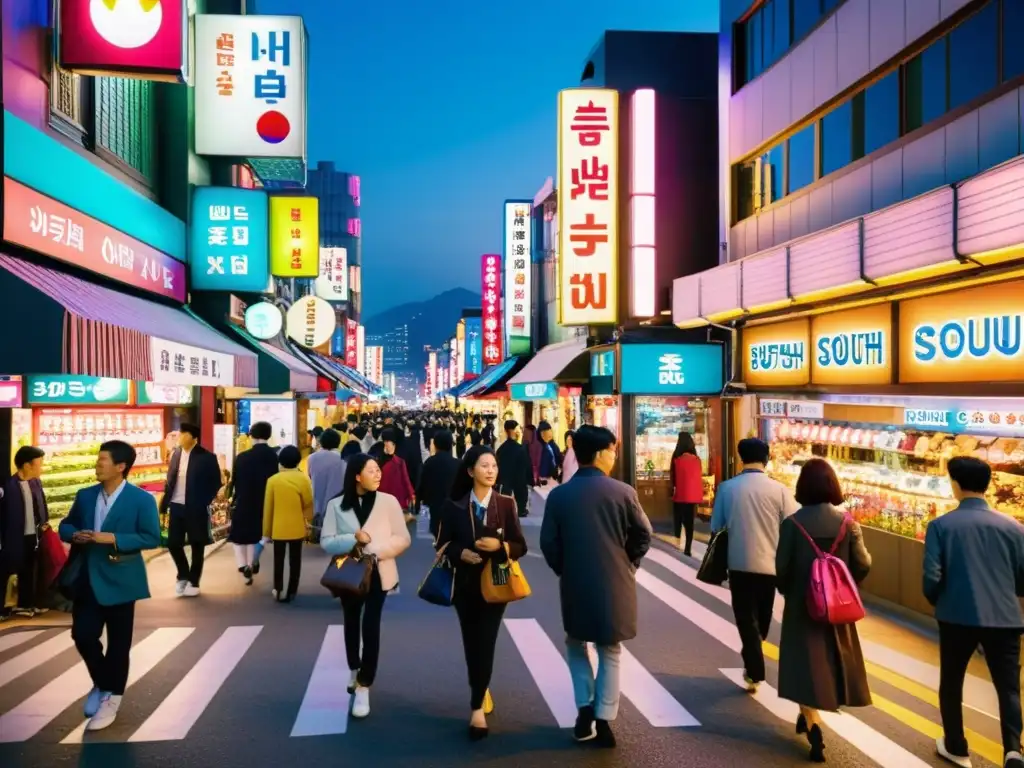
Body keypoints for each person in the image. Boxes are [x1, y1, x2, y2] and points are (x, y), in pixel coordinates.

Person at [540, 425, 652, 748]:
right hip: (616, 581)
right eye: (613, 450)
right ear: (602, 453)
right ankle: (604, 718)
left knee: (576, 643)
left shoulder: (559, 495)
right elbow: (643, 534)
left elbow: (549, 543)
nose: (614, 456)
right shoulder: (623, 492)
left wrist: (565, 567)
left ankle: (584, 709)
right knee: (610, 649)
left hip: (574, 581)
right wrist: (629, 562)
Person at [925, 456, 1024, 768]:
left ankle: (956, 745)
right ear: (988, 484)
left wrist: (940, 600)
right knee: (1008, 687)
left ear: (955, 484)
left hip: (956, 616)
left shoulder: (941, 526)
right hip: (1006, 618)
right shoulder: (1014, 527)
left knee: (952, 682)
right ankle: (1013, 749)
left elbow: (931, 578)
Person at [58, 440, 161, 731]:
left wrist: (113, 538)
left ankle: (112, 700)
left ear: (121, 466)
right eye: (98, 458)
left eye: (103, 460)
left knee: (118, 644)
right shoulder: (86, 495)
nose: (98, 464)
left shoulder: (141, 500)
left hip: (122, 580)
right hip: (88, 578)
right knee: (83, 635)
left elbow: (152, 537)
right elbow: (66, 524)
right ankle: (102, 682)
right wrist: (74, 534)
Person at [776, 458, 872, 763]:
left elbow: (781, 570)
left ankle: (813, 721)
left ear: (802, 486)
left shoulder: (792, 524)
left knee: (803, 664)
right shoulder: (848, 523)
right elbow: (863, 564)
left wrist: (790, 590)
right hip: (836, 607)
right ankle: (811, 715)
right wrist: (843, 584)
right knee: (831, 660)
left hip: (802, 606)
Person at [436, 445, 527, 740]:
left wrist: (501, 547)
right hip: (464, 583)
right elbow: (442, 543)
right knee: (471, 640)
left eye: (494, 466)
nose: (491, 471)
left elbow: (520, 545)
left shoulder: (505, 504)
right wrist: (460, 552)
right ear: (470, 470)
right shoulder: (454, 505)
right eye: (485, 465)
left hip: (498, 579)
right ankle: (481, 685)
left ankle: (476, 707)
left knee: (486, 640)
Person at [321, 454, 411, 718]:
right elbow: (326, 541)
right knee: (351, 622)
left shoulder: (389, 502)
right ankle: (353, 668)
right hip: (349, 575)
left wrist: (375, 551)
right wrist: (352, 539)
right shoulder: (337, 505)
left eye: (378, 470)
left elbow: (402, 538)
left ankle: (364, 684)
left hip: (379, 573)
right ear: (357, 476)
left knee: (371, 625)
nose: (377, 475)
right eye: (371, 471)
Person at [710, 437, 799, 692]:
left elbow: (717, 526)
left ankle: (753, 663)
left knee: (745, 617)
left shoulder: (727, 488)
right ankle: (754, 664)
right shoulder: (779, 490)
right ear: (767, 458)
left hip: (738, 564)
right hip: (770, 565)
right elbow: (793, 523)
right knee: (763, 617)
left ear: (741, 458)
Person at [160, 423, 222, 597]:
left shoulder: (207, 457)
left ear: (193, 437)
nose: (180, 437)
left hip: (196, 506)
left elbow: (216, 482)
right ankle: (183, 574)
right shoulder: (176, 454)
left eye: (183, 434)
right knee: (173, 543)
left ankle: (194, 581)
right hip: (176, 505)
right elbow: (170, 481)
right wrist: (165, 503)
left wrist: (204, 500)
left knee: (197, 544)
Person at [226, 422, 278, 585]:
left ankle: (243, 565)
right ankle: (252, 561)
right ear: (269, 435)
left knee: (240, 534)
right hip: (265, 500)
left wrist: (231, 497)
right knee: (257, 533)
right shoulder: (274, 456)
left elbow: (234, 481)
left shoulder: (242, 457)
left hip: (244, 499)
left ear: (251, 436)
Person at [1, 446, 49, 616]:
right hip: (13, 537)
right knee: (8, 570)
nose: (41, 467)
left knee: (30, 570)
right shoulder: (8, 485)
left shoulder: (36, 482)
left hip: (33, 535)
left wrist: (45, 523)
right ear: (27, 465)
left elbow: (42, 505)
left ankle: (26, 604)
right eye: (39, 464)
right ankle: (4, 608)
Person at [262, 445, 313, 603]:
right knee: (295, 560)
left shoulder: (273, 480)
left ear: (280, 461)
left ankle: (278, 588)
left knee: (278, 560)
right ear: (298, 461)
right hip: (297, 527)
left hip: (278, 528)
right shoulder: (303, 479)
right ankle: (292, 589)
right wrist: (309, 522)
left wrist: (266, 532)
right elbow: (308, 503)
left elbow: (268, 508)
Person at [417, 429, 459, 538]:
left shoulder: (429, 463)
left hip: (435, 506)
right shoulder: (458, 464)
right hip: (455, 508)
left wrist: (419, 501)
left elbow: (422, 484)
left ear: (435, 444)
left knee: (437, 534)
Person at [670, 431, 703, 557]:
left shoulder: (676, 457)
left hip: (679, 494)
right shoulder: (696, 458)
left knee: (678, 518)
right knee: (689, 521)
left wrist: (672, 489)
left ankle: (677, 543)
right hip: (692, 495)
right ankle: (688, 547)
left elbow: (673, 476)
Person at [307, 427, 346, 527]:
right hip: (337, 501)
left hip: (317, 500)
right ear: (338, 442)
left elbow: (310, 475)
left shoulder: (312, 458)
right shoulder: (342, 458)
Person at [495, 420, 531, 519]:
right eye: (518, 428)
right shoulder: (520, 449)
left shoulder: (501, 449)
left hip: (505, 485)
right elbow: (526, 468)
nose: (520, 431)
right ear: (513, 431)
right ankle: (521, 510)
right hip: (519, 485)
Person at [377, 428, 415, 512]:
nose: (386, 444)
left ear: (393, 443)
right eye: (384, 441)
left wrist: (411, 494)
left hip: (396, 496)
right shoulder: (380, 459)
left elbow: (406, 479)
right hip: (385, 496)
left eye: (388, 441)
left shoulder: (399, 461)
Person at [537, 421, 562, 486]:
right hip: (545, 480)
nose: (550, 433)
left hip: (551, 478)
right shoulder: (541, 448)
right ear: (542, 434)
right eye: (548, 430)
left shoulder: (549, 445)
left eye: (550, 430)